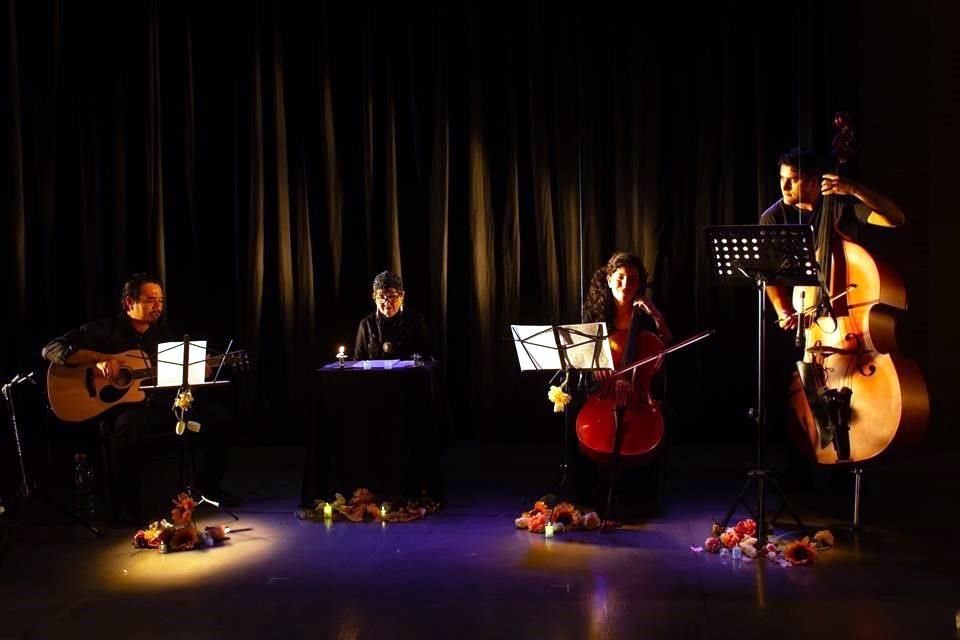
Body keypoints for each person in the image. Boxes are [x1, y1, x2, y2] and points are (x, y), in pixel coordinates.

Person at [41, 273, 234, 526]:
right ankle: (125, 505)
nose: (158, 306)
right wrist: (97, 359)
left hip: (160, 407)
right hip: (118, 411)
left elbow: (177, 385)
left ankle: (209, 487)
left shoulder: (165, 338)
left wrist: (196, 375)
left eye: (161, 300)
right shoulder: (103, 329)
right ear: (130, 303)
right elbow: (51, 349)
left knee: (219, 418)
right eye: (151, 299)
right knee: (127, 426)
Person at [760, 147, 905, 329]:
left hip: (850, 315)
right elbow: (769, 273)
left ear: (814, 180)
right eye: (782, 178)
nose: (785, 187)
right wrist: (783, 311)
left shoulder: (840, 204)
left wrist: (855, 189)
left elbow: (895, 219)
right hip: (810, 314)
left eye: (794, 180)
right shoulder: (774, 218)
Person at [574, 251, 672, 516]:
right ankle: (594, 490)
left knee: (654, 425)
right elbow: (584, 352)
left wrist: (656, 315)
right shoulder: (596, 311)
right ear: (609, 279)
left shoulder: (645, 313)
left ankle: (636, 496)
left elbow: (667, 342)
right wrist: (596, 367)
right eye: (620, 277)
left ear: (640, 282)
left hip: (638, 391)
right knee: (583, 419)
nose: (626, 284)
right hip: (603, 388)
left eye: (632, 279)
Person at [353, 270, 430, 360]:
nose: (387, 303)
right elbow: (358, 361)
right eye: (381, 297)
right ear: (374, 298)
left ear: (402, 296)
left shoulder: (415, 321)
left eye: (392, 297)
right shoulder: (366, 324)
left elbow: (425, 358)